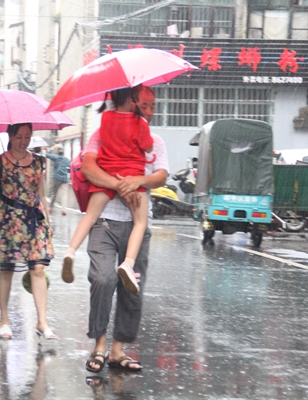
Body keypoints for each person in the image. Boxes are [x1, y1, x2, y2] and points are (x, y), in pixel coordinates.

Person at [83, 85, 168, 372]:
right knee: (103, 279)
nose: (149, 112)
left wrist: (139, 182)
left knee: (132, 288)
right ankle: (99, 344)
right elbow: (88, 169)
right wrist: (121, 183)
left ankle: (118, 349)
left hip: (137, 224)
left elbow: (160, 176)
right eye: (144, 105)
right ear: (131, 102)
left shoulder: (153, 139)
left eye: (153, 106)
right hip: (105, 219)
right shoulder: (102, 133)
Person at [62, 87, 153, 293]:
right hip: (132, 179)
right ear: (132, 101)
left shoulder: (106, 120)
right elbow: (147, 147)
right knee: (140, 222)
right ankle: (128, 264)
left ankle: (70, 251)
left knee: (90, 217)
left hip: (106, 177)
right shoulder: (140, 123)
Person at [0, 123, 57, 341]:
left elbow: (41, 193)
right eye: (18, 136)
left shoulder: (38, 161)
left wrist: (48, 223)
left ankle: (42, 322)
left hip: (34, 219)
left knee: (38, 269)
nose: (23, 141)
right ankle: (3, 319)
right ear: (10, 136)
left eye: (27, 136)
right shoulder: (0, 160)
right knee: (7, 270)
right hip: (9, 220)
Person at [45, 147, 70, 215]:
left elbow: (46, 154)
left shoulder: (56, 157)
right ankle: (64, 209)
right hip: (64, 179)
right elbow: (69, 169)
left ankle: (50, 208)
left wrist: (51, 149)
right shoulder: (67, 159)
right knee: (64, 194)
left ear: (57, 152)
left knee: (53, 193)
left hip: (56, 178)